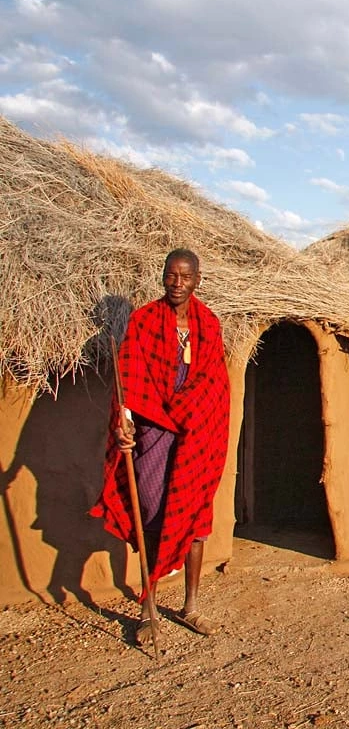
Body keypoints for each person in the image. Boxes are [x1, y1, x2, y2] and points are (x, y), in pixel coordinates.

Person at [90, 248, 230, 645]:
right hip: (154, 430)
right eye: (171, 275)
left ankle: (191, 607)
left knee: (197, 518)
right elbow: (130, 383)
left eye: (186, 277)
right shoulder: (144, 321)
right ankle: (148, 609)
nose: (177, 283)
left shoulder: (209, 323)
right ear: (163, 276)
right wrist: (125, 422)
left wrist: (197, 417)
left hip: (197, 433)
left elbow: (215, 385)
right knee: (150, 511)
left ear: (198, 279)